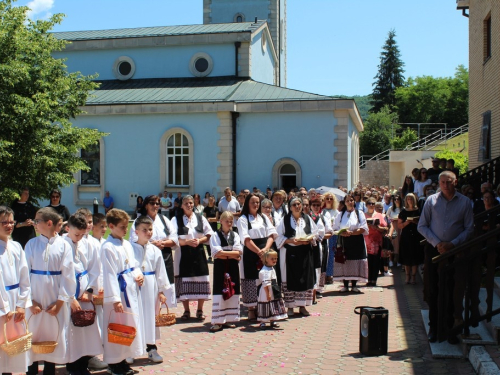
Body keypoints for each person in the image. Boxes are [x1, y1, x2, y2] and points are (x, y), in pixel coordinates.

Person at [418, 171, 474, 344]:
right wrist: (437, 243)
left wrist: (452, 243)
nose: (445, 185)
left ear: (455, 182)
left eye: (448, 182)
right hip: (434, 250)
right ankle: (434, 328)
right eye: (442, 182)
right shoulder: (431, 201)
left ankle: (450, 329)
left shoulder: (465, 202)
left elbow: (469, 228)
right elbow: (422, 226)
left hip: (454, 251)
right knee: (433, 290)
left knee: (451, 290)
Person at [25, 207, 76, 375]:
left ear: (48, 223)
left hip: (55, 301)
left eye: (37, 221)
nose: (34, 223)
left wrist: (60, 303)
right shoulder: (32, 244)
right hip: (34, 301)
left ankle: (50, 370)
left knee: (52, 336)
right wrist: (30, 301)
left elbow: (68, 276)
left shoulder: (64, 246)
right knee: (33, 336)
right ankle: (31, 371)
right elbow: (24, 275)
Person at [101, 209, 145, 375]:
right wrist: (115, 299)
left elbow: (133, 265)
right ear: (111, 226)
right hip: (118, 293)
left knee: (128, 326)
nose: (126, 230)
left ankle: (124, 359)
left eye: (127, 227)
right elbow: (109, 274)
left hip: (130, 289)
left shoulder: (126, 244)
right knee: (116, 328)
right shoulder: (107, 247)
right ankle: (114, 363)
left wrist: (139, 275)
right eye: (122, 227)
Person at [63, 214, 102, 375]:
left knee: (87, 330)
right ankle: (72, 367)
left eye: (82, 234)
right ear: (67, 228)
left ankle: (84, 363)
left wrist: (90, 290)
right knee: (72, 331)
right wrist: (70, 297)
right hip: (69, 295)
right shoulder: (62, 244)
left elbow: (95, 268)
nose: (79, 238)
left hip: (85, 293)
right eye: (76, 234)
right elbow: (61, 274)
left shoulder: (88, 244)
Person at [131, 215, 170, 363]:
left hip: (151, 287)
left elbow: (160, 271)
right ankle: (131, 350)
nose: (148, 232)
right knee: (135, 316)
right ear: (136, 231)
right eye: (144, 230)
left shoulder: (155, 250)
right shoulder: (129, 249)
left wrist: (161, 291)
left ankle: (151, 349)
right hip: (135, 286)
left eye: (150, 229)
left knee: (150, 316)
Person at [129, 195, 177, 309]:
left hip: (165, 255)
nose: (155, 206)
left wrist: (163, 243)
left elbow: (174, 238)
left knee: (165, 281)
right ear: (146, 205)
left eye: (157, 203)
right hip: (146, 257)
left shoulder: (164, 220)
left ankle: (162, 308)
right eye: (152, 203)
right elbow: (133, 240)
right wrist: (151, 244)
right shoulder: (139, 221)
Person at [0, 206, 31, 375]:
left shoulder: (17, 247)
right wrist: (5, 308)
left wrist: (21, 305)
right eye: (4, 222)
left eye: (11, 221)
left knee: (14, 344)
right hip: (2, 305)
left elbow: (24, 279)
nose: (9, 225)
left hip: (15, 301)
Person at [171, 195, 213, 321]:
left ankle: (200, 310)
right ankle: (186, 310)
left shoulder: (200, 218)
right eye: (186, 203)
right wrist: (186, 242)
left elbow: (209, 233)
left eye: (190, 203)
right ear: (182, 205)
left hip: (198, 253)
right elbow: (172, 237)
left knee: (201, 278)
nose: (189, 205)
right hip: (183, 253)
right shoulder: (176, 219)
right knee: (184, 279)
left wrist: (199, 240)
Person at [237, 193, 276, 320]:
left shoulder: (264, 217)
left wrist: (265, 249)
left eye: (257, 202)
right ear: (247, 204)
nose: (255, 205)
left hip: (265, 251)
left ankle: (263, 306)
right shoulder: (243, 219)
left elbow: (271, 234)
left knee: (264, 279)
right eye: (253, 202)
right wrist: (259, 251)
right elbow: (246, 239)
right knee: (250, 278)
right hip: (251, 251)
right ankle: (251, 308)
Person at [276, 197, 318, 316]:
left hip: (305, 252)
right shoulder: (284, 220)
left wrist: (309, 239)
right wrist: (290, 241)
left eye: (299, 204)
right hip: (290, 253)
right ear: (290, 207)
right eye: (294, 204)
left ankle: (302, 306)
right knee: (290, 279)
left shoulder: (307, 218)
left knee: (304, 278)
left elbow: (316, 233)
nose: (297, 206)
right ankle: (290, 306)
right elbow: (277, 237)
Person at [208, 211, 243, 332]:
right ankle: (218, 321)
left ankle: (230, 318)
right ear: (220, 221)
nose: (229, 223)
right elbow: (216, 253)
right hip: (220, 267)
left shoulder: (235, 235)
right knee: (219, 289)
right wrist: (231, 254)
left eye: (231, 221)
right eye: (226, 221)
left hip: (233, 267)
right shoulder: (215, 235)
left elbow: (238, 252)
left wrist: (224, 253)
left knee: (233, 289)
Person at [332, 194, 369, 293]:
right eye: (347, 200)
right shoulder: (340, 214)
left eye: (351, 200)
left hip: (357, 240)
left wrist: (352, 232)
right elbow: (335, 228)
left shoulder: (359, 213)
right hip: (344, 241)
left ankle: (354, 285)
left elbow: (363, 227)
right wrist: (342, 232)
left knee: (356, 262)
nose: (350, 202)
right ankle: (345, 285)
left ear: (354, 202)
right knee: (345, 261)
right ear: (344, 203)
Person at [257, 249, 287, 329]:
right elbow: (265, 284)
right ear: (266, 259)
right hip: (267, 291)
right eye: (272, 258)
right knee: (266, 305)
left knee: (273, 305)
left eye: (275, 258)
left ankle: (273, 319)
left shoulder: (271, 268)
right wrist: (268, 294)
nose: (274, 260)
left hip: (273, 289)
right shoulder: (264, 271)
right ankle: (263, 321)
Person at [310, 198, 332, 298]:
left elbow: (330, 232)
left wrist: (320, 237)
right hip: (309, 245)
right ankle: (311, 288)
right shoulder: (307, 217)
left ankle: (318, 288)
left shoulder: (323, 218)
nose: (315, 207)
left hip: (322, 245)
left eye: (317, 205)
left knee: (321, 265)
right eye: (314, 205)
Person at [364, 198, 388, 287]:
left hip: (376, 241)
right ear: (366, 205)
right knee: (368, 262)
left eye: (373, 203)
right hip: (366, 241)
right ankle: (369, 279)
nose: (371, 205)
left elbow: (386, 228)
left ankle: (374, 279)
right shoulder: (363, 215)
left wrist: (377, 228)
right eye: (369, 203)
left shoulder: (379, 215)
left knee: (376, 261)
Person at [322, 192, 339, 285]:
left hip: (333, 235)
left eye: (331, 199)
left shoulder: (336, 212)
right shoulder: (322, 211)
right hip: (325, 234)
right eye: (327, 198)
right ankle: (324, 274)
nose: (329, 200)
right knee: (325, 255)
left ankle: (330, 275)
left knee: (332, 255)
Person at [386, 195, 403, 266]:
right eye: (395, 199)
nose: (396, 200)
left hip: (400, 227)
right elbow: (386, 216)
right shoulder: (391, 208)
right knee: (392, 243)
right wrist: (391, 219)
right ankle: (390, 260)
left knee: (399, 243)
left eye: (398, 199)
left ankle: (398, 260)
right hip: (393, 226)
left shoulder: (403, 209)